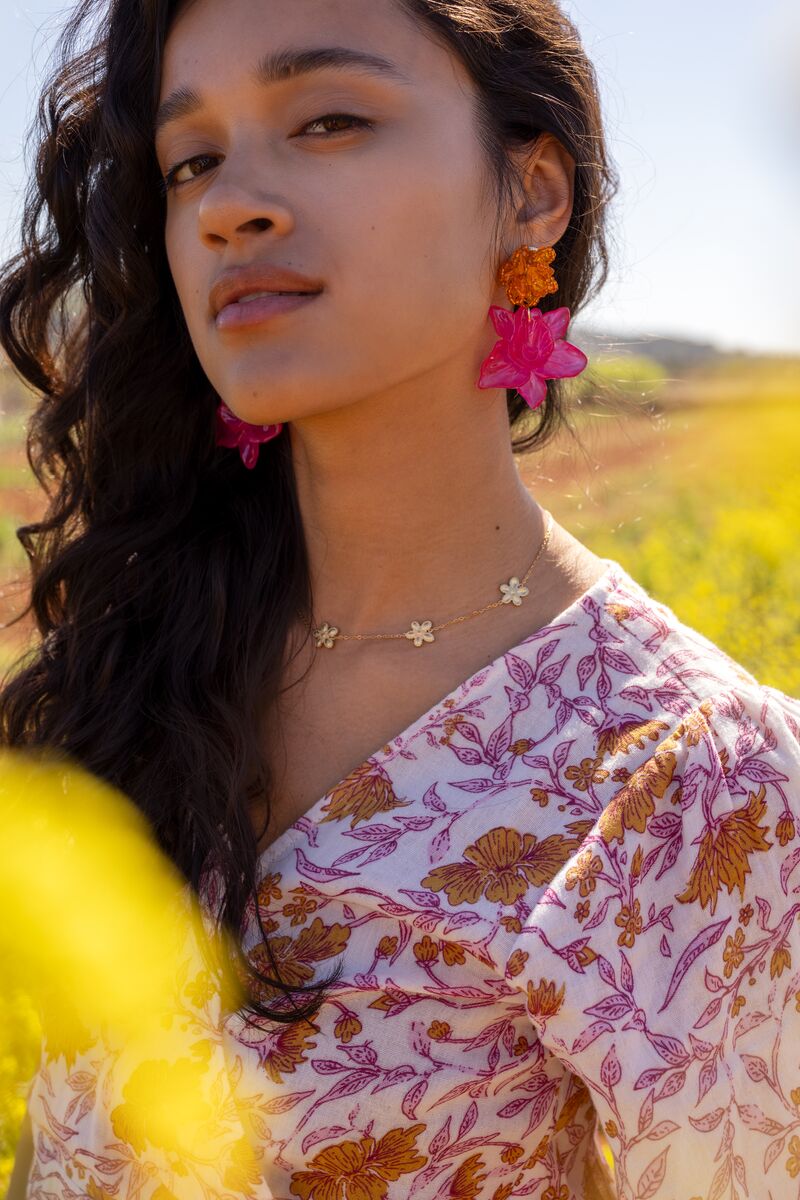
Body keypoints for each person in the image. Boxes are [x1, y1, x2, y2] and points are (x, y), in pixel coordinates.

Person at [2, 0, 798, 1197]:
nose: (230, 205)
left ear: (530, 194)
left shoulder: (694, 789)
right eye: (192, 161)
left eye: (328, 119)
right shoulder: (136, 664)